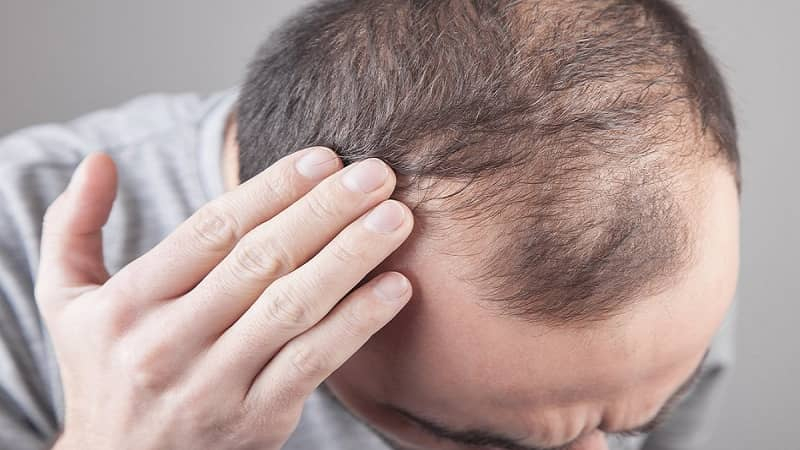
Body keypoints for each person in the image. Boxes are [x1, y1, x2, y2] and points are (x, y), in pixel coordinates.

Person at [0, 1, 740, 449]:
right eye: (470, 440)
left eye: (638, 424)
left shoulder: (664, 267)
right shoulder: (15, 245)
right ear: (293, 271)